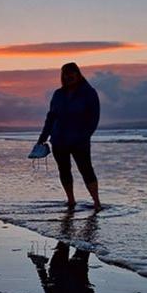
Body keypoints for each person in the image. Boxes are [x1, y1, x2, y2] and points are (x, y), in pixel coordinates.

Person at [37, 62, 102, 211]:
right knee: (64, 170)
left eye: (72, 73)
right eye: (65, 73)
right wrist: (42, 138)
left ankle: (97, 202)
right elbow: (51, 117)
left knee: (86, 170)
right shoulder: (58, 94)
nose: (68, 76)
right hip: (59, 139)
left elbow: (94, 118)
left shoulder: (89, 93)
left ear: (78, 74)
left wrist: (85, 135)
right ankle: (71, 200)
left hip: (80, 141)